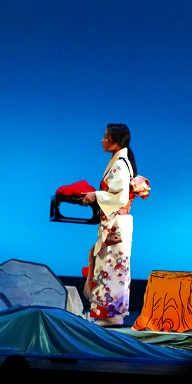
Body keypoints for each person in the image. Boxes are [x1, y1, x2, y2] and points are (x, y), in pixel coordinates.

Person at [81, 123, 137, 327]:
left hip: (116, 223)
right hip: (114, 222)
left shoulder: (120, 164)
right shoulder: (119, 160)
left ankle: (111, 316)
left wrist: (96, 195)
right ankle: (109, 315)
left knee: (112, 269)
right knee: (110, 267)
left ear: (115, 142)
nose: (102, 140)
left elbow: (120, 197)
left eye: (106, 137)